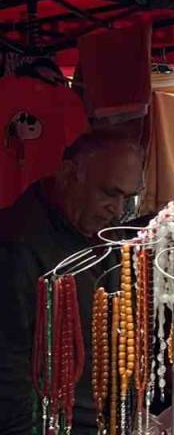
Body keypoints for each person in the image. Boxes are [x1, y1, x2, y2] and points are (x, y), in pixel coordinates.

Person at [0, 129, 145, 435]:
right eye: (108, 193)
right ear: (69, 174)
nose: (117, 210)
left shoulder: (98, 229)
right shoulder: (18, 243)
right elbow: (8, 367)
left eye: (128, 198)